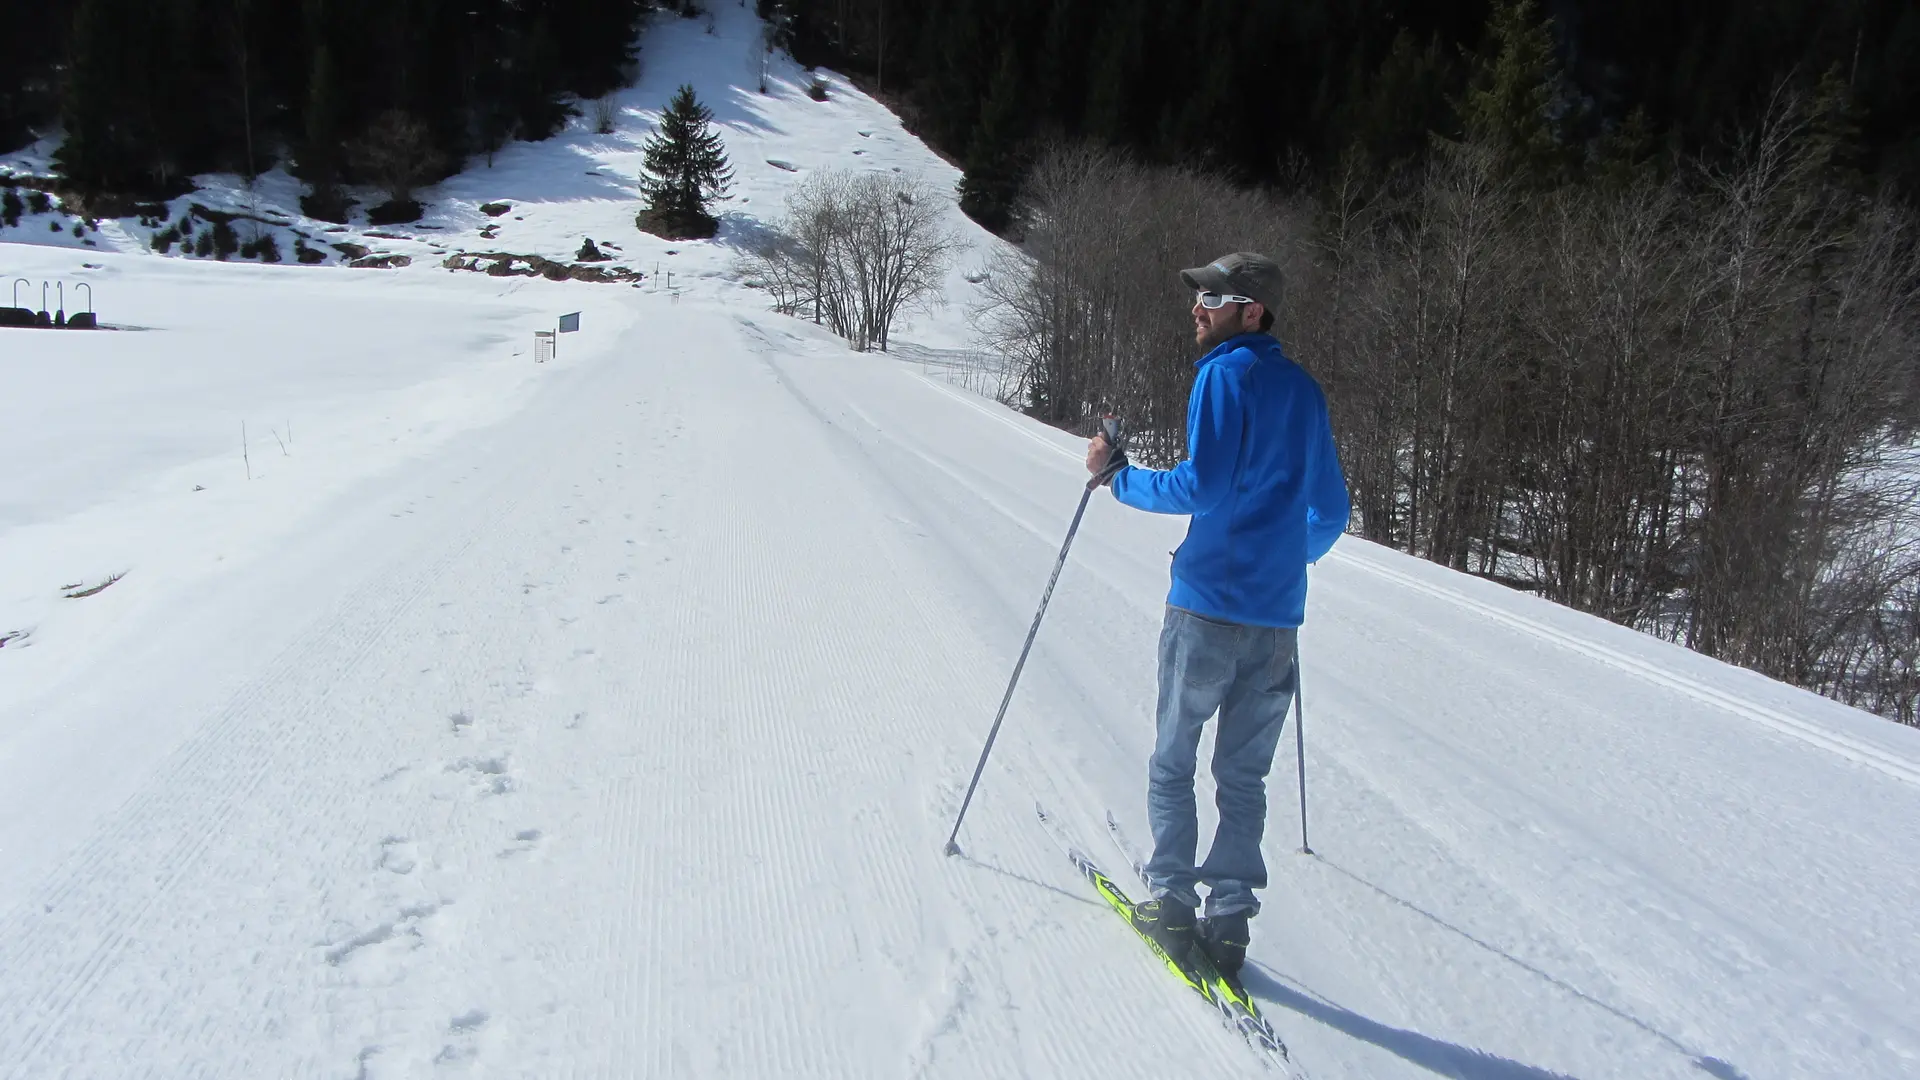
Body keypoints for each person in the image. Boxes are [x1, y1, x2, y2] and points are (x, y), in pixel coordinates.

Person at [1085, 252, 1349, 979]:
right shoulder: (1304, 391)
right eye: (1198, 295)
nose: (1198, 307)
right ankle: (1229, 923)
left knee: (1173, 758)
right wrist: (1282, 562)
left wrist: (1118, 478)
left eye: (1214, 296)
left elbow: (1201, 486)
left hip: (1205, 608)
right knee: (1242, 776)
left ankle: (1170, 900)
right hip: (1276, 620)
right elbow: (1332, 511)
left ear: (1253, 310)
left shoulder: (1222, 376)